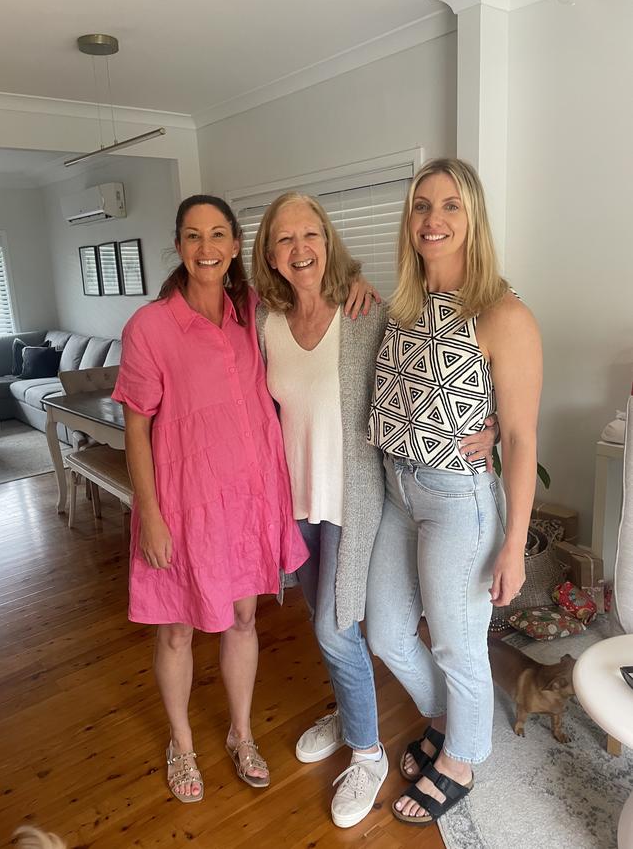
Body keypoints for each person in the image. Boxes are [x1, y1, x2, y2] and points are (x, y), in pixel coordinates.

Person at [251, 191, 498, 828]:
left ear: (328, 240)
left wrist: (492, 429)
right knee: (328, 623)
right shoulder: (266, 324)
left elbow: (435, 371)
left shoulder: (367, 311)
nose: (300, 249)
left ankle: (368, 755)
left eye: (310, 234)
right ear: (270, 254)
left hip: (357, 501)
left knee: (337, 629)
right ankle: (349, 708)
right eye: (284, 239)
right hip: (297, 500)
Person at [112, 195, 309, 802]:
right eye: (194, 236)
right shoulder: (151, 326)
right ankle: (181, 743)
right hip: (181, 505)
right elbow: (137, 428)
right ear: (178, 245)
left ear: (233, 245)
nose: (206, 248)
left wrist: (357, 288)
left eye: (218, 234)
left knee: (244, 618)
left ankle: (241, 733)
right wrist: (150, 516)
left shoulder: (253, 312)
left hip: (247, 502)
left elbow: (313, 283)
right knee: (176, 631)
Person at [365, 158, 542, 825]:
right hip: (397, 493)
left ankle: (462, 757)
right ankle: (445, 716)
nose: (433, 220)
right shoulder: (402, 308)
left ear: (473, 219)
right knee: (385, 629)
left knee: (456, 641)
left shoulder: (503, 312)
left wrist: (515, 544)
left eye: (449, 207)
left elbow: (521, 437)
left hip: (455, 501)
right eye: (421, 206)